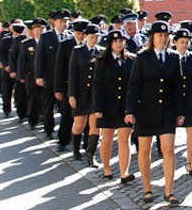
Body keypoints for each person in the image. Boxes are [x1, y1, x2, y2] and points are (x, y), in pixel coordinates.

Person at [125, 21, 180, 205]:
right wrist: (130, 111)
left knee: (168, 149)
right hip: (145, 110)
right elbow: (134, 85)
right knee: (145, 149)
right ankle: (147, 189)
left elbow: (178, 86)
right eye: (159, 36)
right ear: (152, 38)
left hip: (167, 110)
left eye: (165, 36)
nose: (163, 39)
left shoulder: (173, 57)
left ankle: (169, 191)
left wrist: (180, 111)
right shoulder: (142, 57)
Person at [93, 30, 136, 182]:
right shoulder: (102, 62)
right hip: (107, 106)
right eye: (115, 41)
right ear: (110, 43)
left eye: (121, 41)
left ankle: (124, 172)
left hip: (125, 106)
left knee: (124, 138)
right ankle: (107, 168)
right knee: (107, 138)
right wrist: (97, 108)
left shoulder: (131, 60)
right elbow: (97, 86)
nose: (119, 44)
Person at [68, 23, 101, 167]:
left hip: (96, 95)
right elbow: (73, 74)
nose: (93, 40)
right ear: (86, 37)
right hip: (81, 94)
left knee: (95, 126)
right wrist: (72, 95)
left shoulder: (102, 52)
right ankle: (76, 150)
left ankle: (90, 155)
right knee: (79, 124)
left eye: (96, 37)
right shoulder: (77, 51)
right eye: (91, 37)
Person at [35, 9, 70, 144]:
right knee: (48, 106)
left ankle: (64, 134)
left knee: (65, 108)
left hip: (64, 79)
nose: (63, 24)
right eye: (61, 21)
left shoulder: (69, 37)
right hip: (49, 78)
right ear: (54, 22)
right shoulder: (46, 37)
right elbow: (39, 58)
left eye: (65, 22)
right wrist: (39, 75)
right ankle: (49, 130)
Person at [170, 27, 192, 175]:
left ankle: (189, 161)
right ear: (175, 42)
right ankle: (170, 161)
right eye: (181, 42)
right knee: (170, 133)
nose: (184, 45)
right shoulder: (169, 57)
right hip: (174, 101)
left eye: (187, 42)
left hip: (190, 101)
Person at [57, 17, 86, 160]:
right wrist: (58, 89)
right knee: (67, 116)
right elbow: (59, 68)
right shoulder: (65, 45)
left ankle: (85, 146)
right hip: (68, 86)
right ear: (74, 32)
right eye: (78, 33)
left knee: (86, 121)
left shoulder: (91, 47)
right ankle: (63, 141)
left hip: (86, 90)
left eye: (83, 33)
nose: (80, 36)